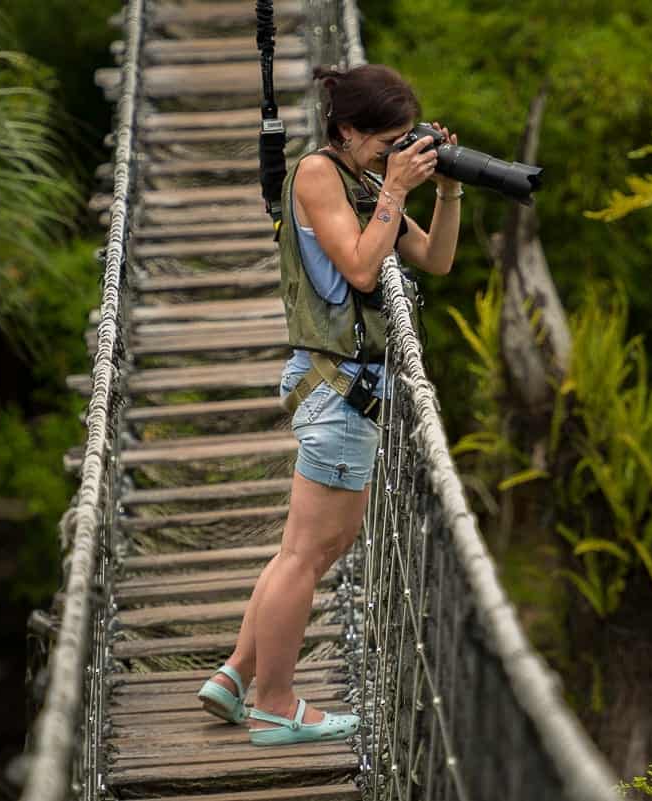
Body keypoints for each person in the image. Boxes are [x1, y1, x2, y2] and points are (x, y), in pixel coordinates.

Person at [195, 63, 462, 746]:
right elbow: (363, 267)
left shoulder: (362, 177)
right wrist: (396, 191)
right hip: (339, 388)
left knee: (313, 547)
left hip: (348, 389)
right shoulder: (319, 174)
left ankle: (235, 675)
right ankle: (276, 701)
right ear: (347, 130)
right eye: (388, 141)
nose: (398, 153)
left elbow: (433, 259)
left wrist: (447, 192)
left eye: (409, 141)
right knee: (306, 556)